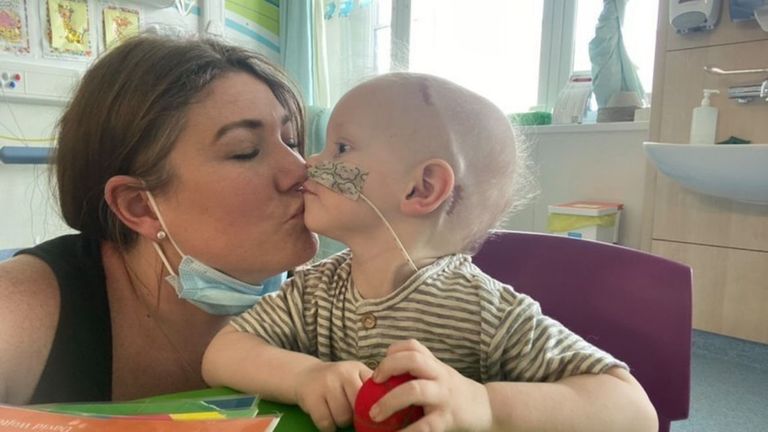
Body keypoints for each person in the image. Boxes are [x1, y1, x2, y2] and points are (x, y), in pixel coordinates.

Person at [202, 73, 658, 432]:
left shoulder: (485, 311)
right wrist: (302, 377)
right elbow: (221, 353)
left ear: (422, 188)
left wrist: (484, 406)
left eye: (340, 148)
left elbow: (633, 411)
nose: (310, 165)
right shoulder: (315, 291)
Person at [0, 34, 318, 405]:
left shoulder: (318, 300)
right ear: (140, 207)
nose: (301, 170)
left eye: (292, 141)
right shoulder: (23, 308)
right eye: (245, 151)